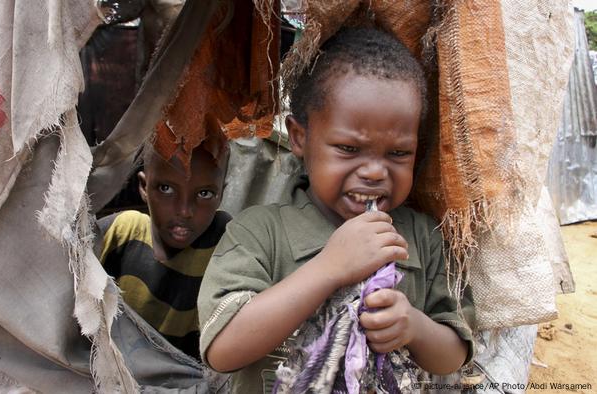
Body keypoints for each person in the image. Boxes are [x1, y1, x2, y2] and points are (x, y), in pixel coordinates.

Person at [197, 27, 475, 392]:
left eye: (398, 153)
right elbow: (222, 349)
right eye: (348, 148)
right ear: (299, 138)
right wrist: (329, 268)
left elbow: (455, 354)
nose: (375, 172)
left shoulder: (424, 238)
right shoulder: (259, 232)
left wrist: (413, 326)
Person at [99, 134, 231, 360]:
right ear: (143, 186)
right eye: (166, 189)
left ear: (221, 195)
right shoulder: (121, 234)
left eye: (204, 193)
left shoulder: (223, 244)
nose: (184, 210)